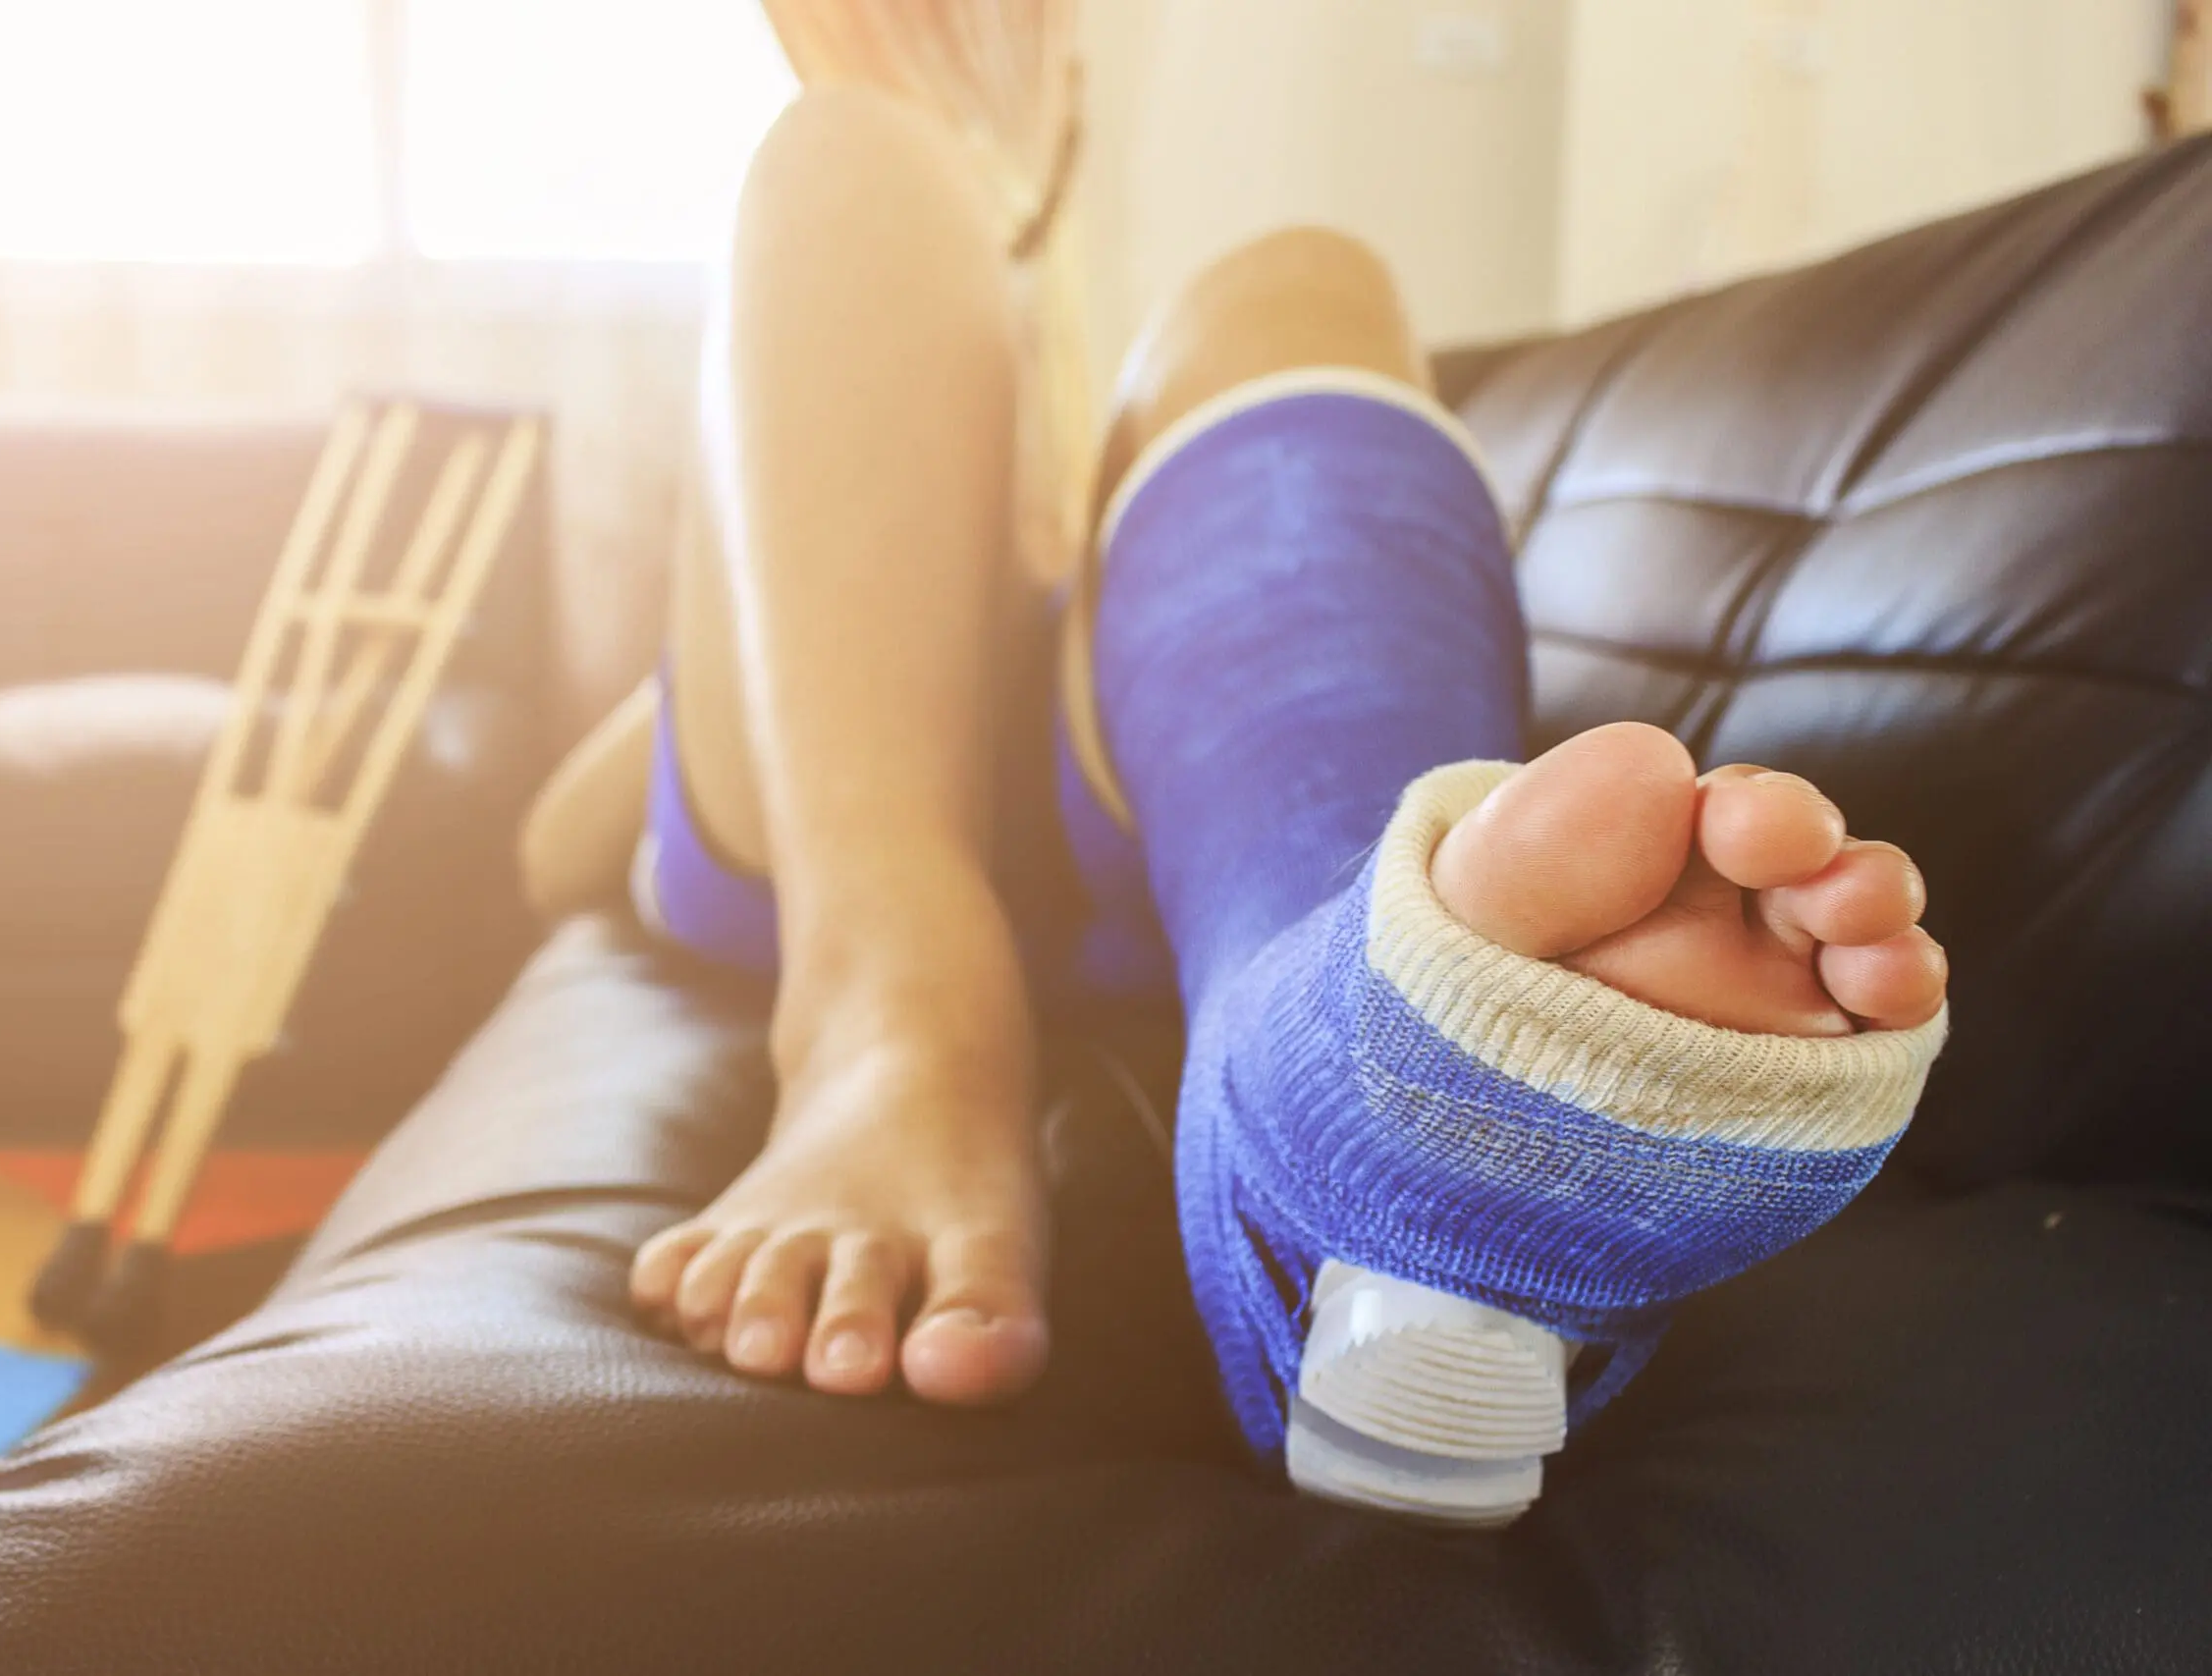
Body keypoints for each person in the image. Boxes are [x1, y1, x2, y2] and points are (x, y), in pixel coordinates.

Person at [520, 86, 1948, 1517]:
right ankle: (904, 1013)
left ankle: (1386, 1049)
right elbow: (562, 843)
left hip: (1167, 747)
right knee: (857, 148)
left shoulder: (1109, 604)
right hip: (866, 808)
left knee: (1298, 276)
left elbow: (558, 847)